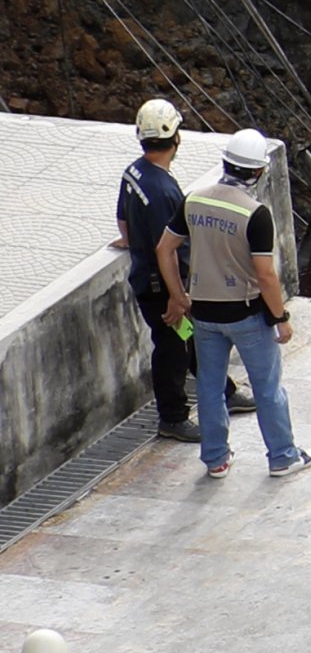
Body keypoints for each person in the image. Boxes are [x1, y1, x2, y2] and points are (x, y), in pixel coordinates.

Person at [181, 131, 311, 482]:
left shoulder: (193, 200)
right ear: (257, 173)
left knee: (209, 387)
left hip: (204, 312)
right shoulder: (255, 214)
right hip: (246, 312)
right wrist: (281, 318)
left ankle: (215, 460)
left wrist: (178, 295)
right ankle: (283, 456)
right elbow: (266, 275)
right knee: (267, 387)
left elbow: (165, 247)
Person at [113, 104, 189, 444]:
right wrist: (176, 296)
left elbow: (124, 220)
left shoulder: (135, 172)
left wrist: (129, 241)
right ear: (175, 137)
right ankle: (172, 418)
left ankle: (226, 392)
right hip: (160, 286)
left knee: (192, 338)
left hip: (148, 278)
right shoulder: (163, 192)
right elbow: (166, 249)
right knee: (172, 348)